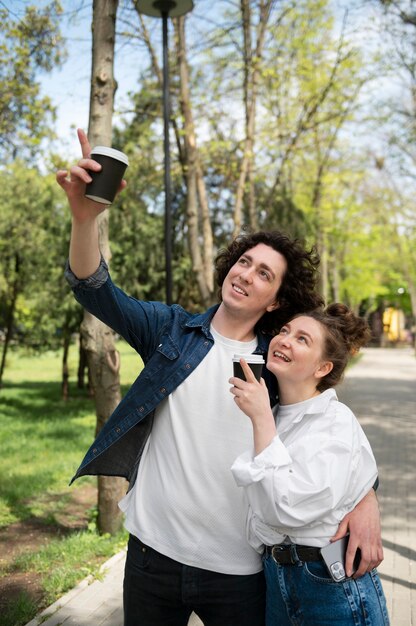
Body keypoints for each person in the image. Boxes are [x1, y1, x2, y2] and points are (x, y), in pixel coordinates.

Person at [56, 128, 383, 626]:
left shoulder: (277, 358)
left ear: (275, 300)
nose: (247, 274)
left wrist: (365, 499)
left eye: (264, 274)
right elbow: (95, 288)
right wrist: (85, 220)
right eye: (244, 262)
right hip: (151, 554)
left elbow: (329, 426)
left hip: (240, 571)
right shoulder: (171, 330)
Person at [229, 304, 389, 625]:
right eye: (285, 331)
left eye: (303, 339)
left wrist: (260, 418)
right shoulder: (274, 415)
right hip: (276, 579)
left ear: (322, 368)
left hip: (329, 586)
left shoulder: (335, 422)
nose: (285, 340)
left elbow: (287, 511)